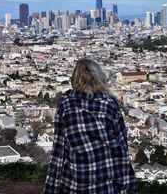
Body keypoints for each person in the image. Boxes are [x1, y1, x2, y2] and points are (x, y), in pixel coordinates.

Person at [43, 58, 137, 193]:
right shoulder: (109, 104)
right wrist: (128, 188)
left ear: (74, 78)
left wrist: (50, 189)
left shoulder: (66, 104)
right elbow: (121, 150)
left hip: (74, 185)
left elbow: (59, 152)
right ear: (99, 77)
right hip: (106, 186)